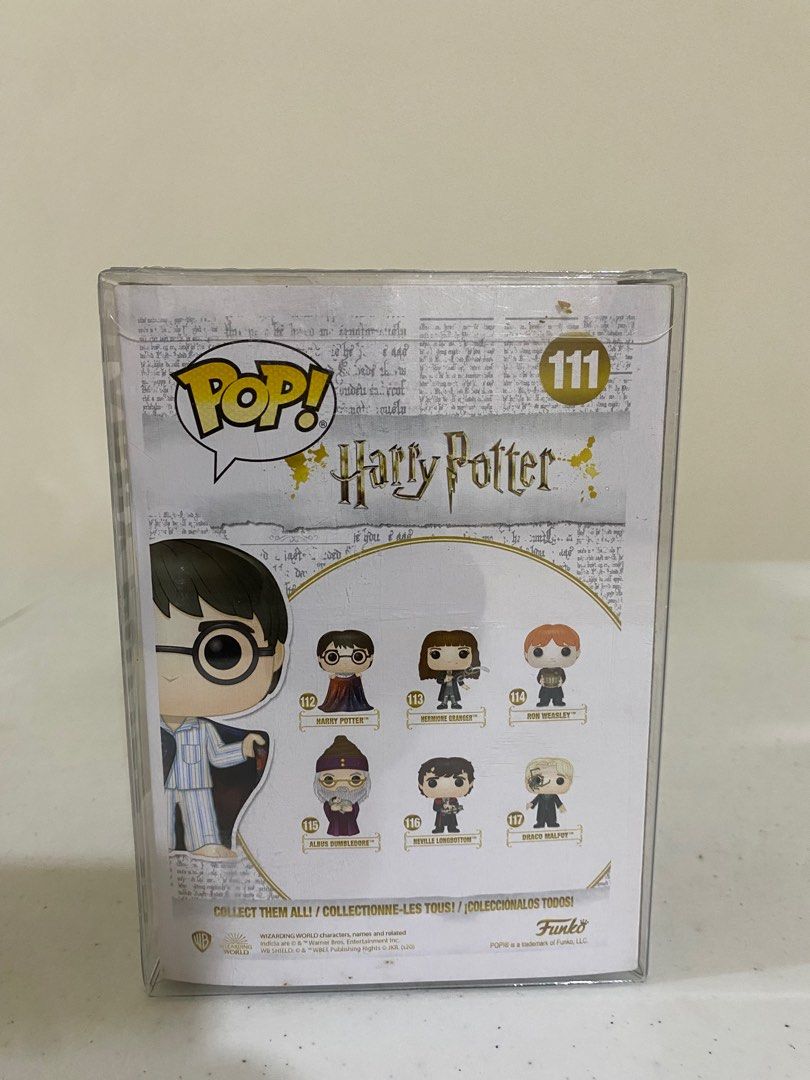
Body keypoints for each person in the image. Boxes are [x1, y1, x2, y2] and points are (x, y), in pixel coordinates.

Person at [151, 537, 288, 858]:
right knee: (160, 822)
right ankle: (163, 845)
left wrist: (243, 748)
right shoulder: (145, 730)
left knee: (201, 818)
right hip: (162, 786)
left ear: (276, 656)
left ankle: (205, 843)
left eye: (221, 649)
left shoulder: (203, 729)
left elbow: (217, 756)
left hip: (198, 784)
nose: (170, 671)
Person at [314, 736, 371, 836]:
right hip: (334, 828)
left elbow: (354, 811)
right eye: (329, 780)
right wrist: (333, 808)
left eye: (355, 779)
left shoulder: (353, 802)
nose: (342, 787)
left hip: (351, 828)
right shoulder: (329, 803)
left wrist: (350, 808)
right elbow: (328, 811)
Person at [418, 630, 481, 710]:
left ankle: (454, 704)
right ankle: (444, 704)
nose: (449, 660)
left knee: (453, 695)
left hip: (453, 687)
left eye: (463, 653)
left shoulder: (457, 673)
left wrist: (463, 685)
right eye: (435, 654)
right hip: (445, 687)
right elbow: (439, 680)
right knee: (445, 696)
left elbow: (459, 678)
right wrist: (445, 679)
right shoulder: (441, 673)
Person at [523, 624, 581, 708]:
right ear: (526, 654)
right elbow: (539, 677)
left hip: (556, 686)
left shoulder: (560, 670)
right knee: (544, 696)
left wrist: (561, 681)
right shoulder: (543, 671)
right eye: (538, 652)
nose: (552, 658)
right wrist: (541, 681)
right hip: (545, 686)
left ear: (577, 653)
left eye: (565, 651)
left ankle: (558, 702)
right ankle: (543, 702)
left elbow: (563, 677)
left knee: (558, 696)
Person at [316, 629, 374, 712]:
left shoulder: (356, 677)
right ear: (319, 658)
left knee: (355, 695)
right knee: (335, 695)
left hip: (353, 680)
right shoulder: (335, 679)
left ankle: (355, 706)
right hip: (337, 681)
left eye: (358, 656)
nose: (345, 662)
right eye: (332, 657)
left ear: (371, 657)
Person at [418, 756, 475, 833]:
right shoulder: (437, 800)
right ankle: (439, 828)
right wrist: (442, 807)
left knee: (452, 822)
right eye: (432, 783)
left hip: (450, 815)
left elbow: (456, 807)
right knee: (439, 824)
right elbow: (435, 808)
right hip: (441, 816)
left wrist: (453, 808)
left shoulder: (453, 799)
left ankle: (452, 828)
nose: (445, 788)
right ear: (421, 785)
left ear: (470, 784)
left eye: (458, 782)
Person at [525, 757, 573, 828]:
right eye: (537, 780)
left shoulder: (554, 796)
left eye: (559, 780)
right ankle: (540, 823)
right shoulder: (540, 795)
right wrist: (531, 804)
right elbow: (535, 800)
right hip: (541, 810)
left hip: (551, 810)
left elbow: (558, 801)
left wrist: (561, 807)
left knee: (552, 817)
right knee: (540, 817)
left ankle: (552, 823)